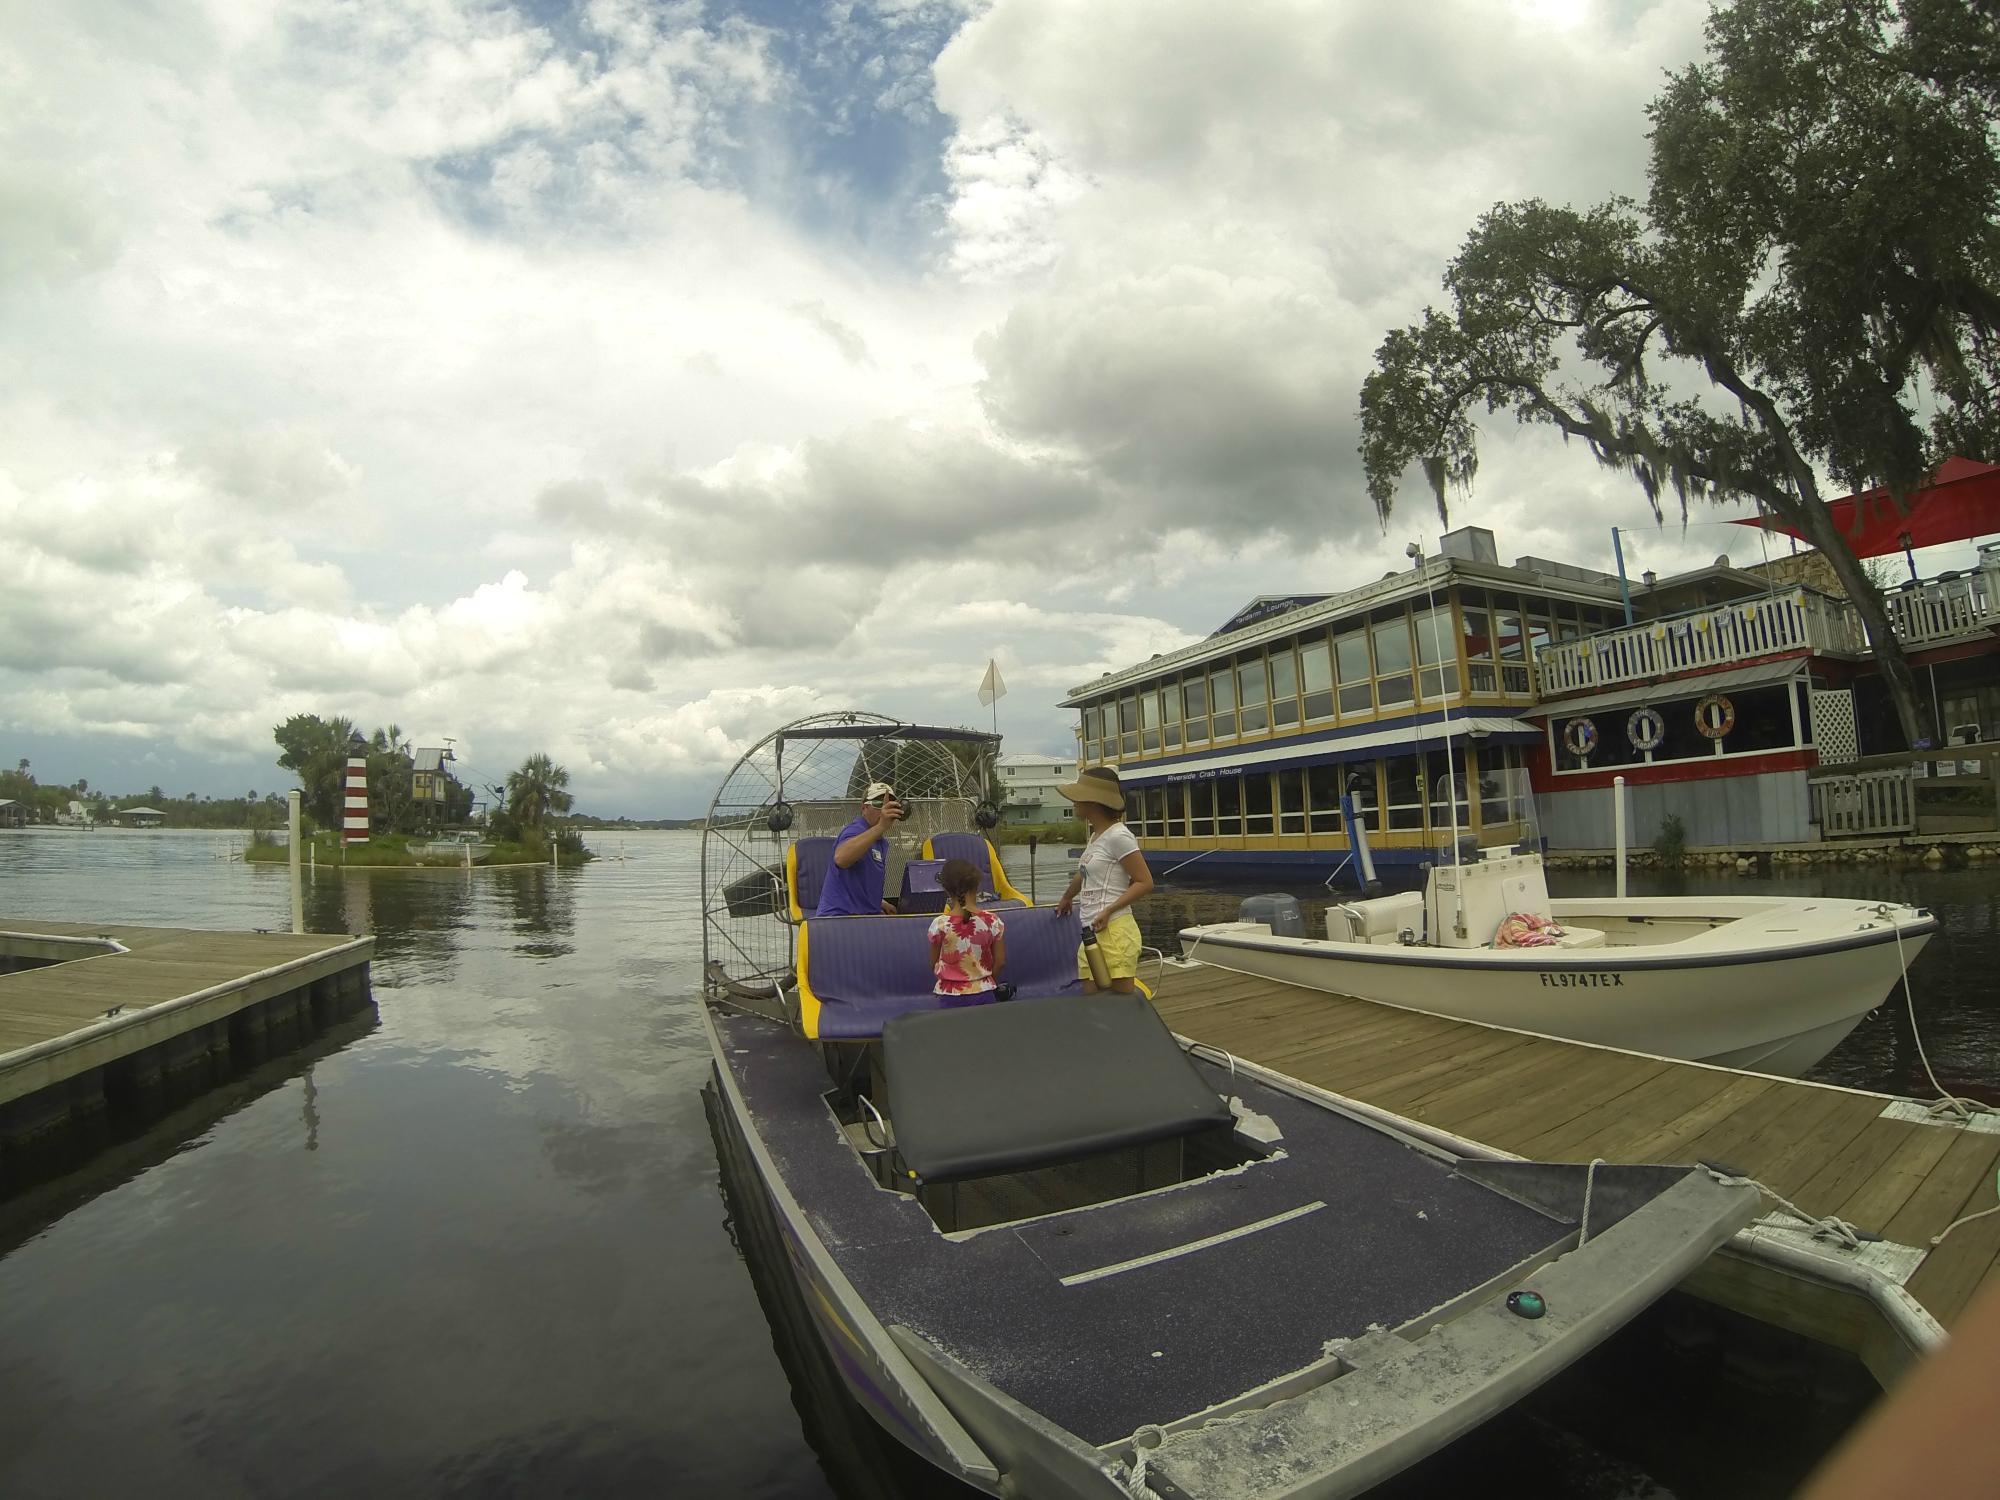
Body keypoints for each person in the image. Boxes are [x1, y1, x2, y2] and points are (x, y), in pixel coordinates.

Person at [1053, 766, 1154, 993]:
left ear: (1093, 802)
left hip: (1114, 930)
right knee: (1095, 1006)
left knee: (1118, 1008)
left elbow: (1144, 882)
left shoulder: (1119, 836)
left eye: (1078, 798)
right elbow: (1085, 872)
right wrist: (1067, 896)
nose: (1074, 802)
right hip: (1092, 930)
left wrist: (1109, 910)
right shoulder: (1096, 836)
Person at [814, 781, 903, 917]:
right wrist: (881, 827)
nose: (884, 809)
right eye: (878, 804)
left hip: (865, 916)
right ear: (864, 808)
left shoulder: (881, 842)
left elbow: (862, 883)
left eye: (889, 805)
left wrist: (881, 903)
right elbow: (841, 858)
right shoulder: (855, 830)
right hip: (839, 918)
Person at [927, 857, 1007, 1005]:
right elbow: (1000, 962)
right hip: (984, 993)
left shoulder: (939, 924)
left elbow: (933, 963)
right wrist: (986, 982)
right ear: (977, 886)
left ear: (945, 889)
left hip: (950, 995)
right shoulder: (993, 921)